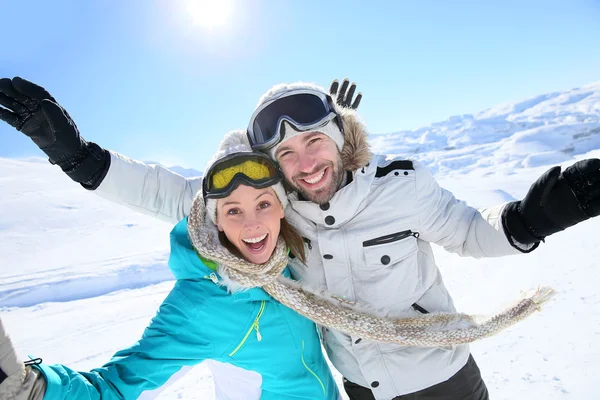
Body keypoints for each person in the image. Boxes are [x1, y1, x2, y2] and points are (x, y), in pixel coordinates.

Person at [2, 77, 596, 399]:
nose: (305, 162)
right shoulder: (266, 204)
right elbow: (163, 192)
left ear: (342, 137)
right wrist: (76, 156)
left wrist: (530, 218)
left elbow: (472, 233)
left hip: (441, 382)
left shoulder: (397, 189)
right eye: (286, 152)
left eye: (315, 140)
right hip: (362, 390)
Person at [0, 131, 344, 400]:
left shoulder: (289, 259)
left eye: (263, 204)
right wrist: (28, 389)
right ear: (217, 222)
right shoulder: (204, 305)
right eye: (233, 210)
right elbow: (117, 388)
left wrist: (334, 131)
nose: (253, 225)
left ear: (283, 208)